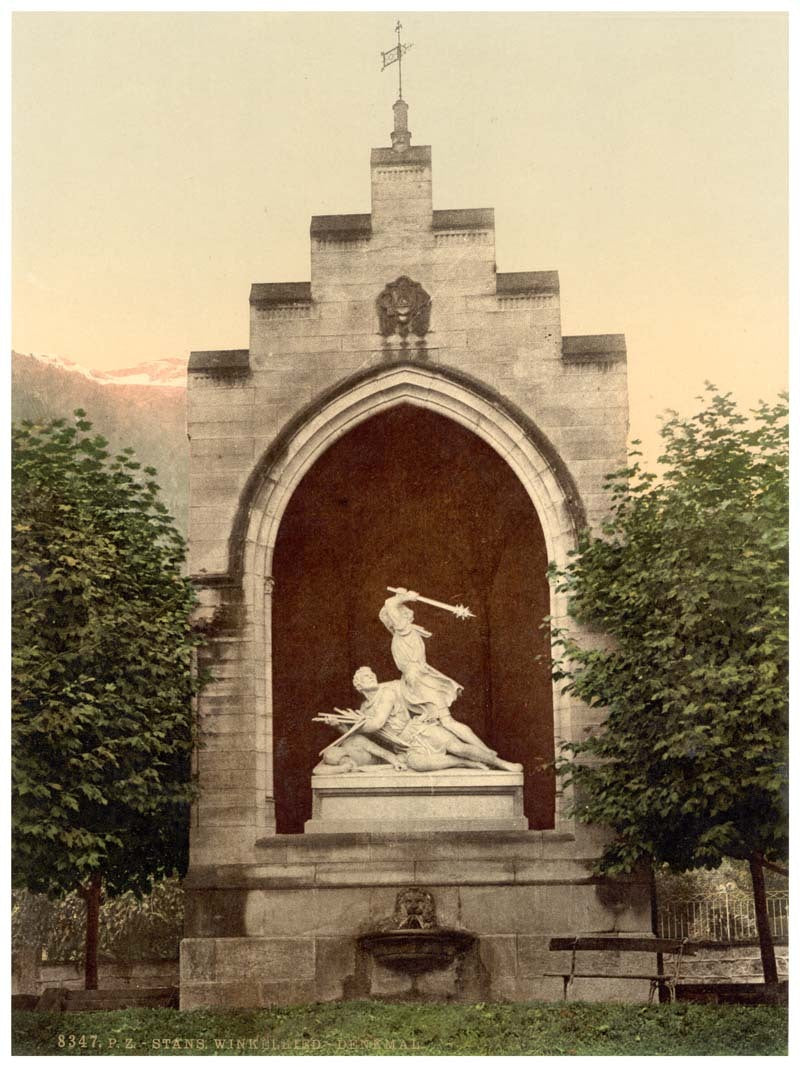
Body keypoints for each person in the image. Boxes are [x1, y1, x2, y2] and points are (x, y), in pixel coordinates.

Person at [379, 588, 500, 756]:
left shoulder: (404, 631)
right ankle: (485, 752)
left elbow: (389, 605)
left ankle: (486, 752)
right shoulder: (402, 631)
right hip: (417, 680)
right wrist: (404, 597)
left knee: (447, 721)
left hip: (419, 680)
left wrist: (402, 598)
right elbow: (389, 605)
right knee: (445, 721)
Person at [352, 666, 522, 773]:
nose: (371, 676)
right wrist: (343, 725)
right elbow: (363, 734)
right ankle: (462, 763)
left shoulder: (386, 693)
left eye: (372, 674)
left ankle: (500, 763)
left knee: (458, 747)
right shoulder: (363, 709)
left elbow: (377, 723)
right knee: (418, 764)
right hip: (405, 745)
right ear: (359, 686)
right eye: (366, 677)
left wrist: (357, 724)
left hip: (419, 730)